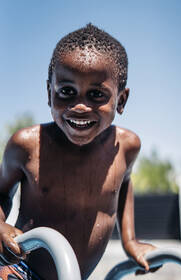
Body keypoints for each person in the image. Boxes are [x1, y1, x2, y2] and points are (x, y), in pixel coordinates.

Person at [0, 24, 157, 280]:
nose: (80, 106)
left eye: (96, 94)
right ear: (49, 93)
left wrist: (130, 241)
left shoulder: (127, 146)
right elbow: (1, 193)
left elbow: (124, 183)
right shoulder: (27, 144)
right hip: (20, 270)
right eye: (67, 92)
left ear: (121, 101)